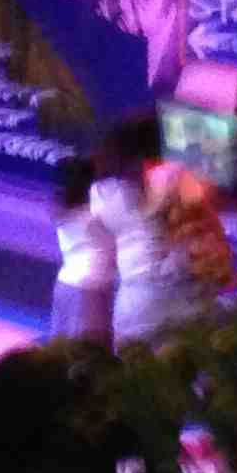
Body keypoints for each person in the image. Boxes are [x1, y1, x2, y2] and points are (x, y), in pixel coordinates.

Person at [89, 110, 225, 345]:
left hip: (130, 302)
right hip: (176, 298)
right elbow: (208, 192)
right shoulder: (168, 177)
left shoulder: (102, 191)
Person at [49, 153, 116, 344]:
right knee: (88, 351)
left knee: (61, 348)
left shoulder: (62, 207)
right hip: (92, 286)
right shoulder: (98, 210)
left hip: (65, 282)